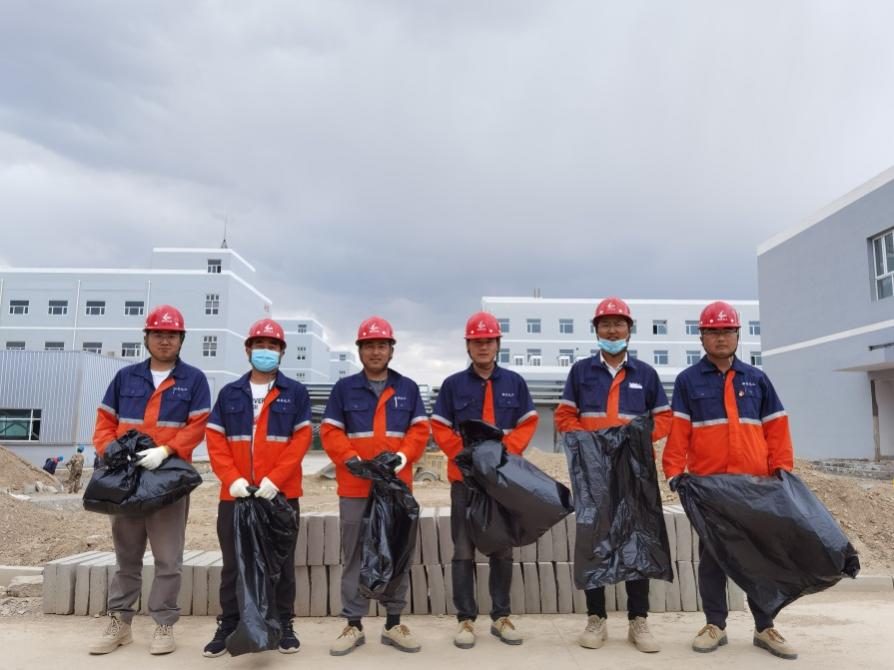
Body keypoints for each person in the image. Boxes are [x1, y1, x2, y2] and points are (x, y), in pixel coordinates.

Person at [663, 301, 797, 660]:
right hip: (710, 488)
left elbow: (776, 428)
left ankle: (765, 626)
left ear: (737, 335)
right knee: (712, 558)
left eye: (726, 331)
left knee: (759, 557)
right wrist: (674, 471)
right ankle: (715, 625)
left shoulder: (757, 379)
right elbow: (679, 430)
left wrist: (782, 470)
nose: (720, 338)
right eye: (713, 331)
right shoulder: (688, 381)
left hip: (755, 487)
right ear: (701, 337)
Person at [89, 305, 211, 656]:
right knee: (126, 557)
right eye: (158, 334)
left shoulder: (193, 380)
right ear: (146, 338)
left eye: (171, 335)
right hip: (126, 481)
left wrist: (167, 450)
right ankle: (120, 623)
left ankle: (163, 624)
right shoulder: (125, 377)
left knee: (168, 558)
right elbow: (104, 422)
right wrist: (112, 451)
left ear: (181, 340)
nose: (164, 340)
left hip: (168, 482)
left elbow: (198, 425)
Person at [554, 297, 671, 654]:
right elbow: (564, 417)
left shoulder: (645, 375)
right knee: (594, 541)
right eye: (605, 324)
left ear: (629, 330)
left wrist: (634, 440)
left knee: (636, 540)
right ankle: (596, 618)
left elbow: (664, 418)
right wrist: (593, 445)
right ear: (596, 330)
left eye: (619, 324)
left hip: (634, 473)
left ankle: (639, 620)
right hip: (593, 476)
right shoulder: (581, 372)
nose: (613, 330)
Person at [202, 318, 312, 657]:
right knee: (233, 563)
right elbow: (215, 439)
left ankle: (284, 624)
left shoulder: (295, 393)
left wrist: (275, 480)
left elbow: (300, 440)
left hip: (280, 495)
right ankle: (230, 624)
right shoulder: (230, 393)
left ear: (282, 352)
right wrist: (232, 478)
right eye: (260, 345)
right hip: (235, 495)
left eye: (272, 345)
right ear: (248, 349)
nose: (266, 351)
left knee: (281, 563)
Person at [321, 316, 430, 656]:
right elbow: (330, 430)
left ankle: (393, 623)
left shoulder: (407, 388)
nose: (375, 351)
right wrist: (350, 458)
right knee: (354, 555)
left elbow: (420, 430)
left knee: (397, 553)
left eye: (381, 345)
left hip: (396, 488)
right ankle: (353, 625)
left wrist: (403, 456)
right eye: (369, 345)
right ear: (360, 350)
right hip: (356, 486)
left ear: (391, 350)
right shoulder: (344, 389)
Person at [431, 312, 538, 649]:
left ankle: (501, 617)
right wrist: (467, 457)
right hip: (465, 482)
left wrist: (502, 454)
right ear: (468, 346)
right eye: (476, 341)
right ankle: (465, 619)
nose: (483, 346)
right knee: (463, 549)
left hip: (502, 481)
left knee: (502, 548)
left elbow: (528, 422)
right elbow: (440, 427)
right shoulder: (453, 385)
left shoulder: (514, 383)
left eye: (488, 341)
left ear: (497, 344)